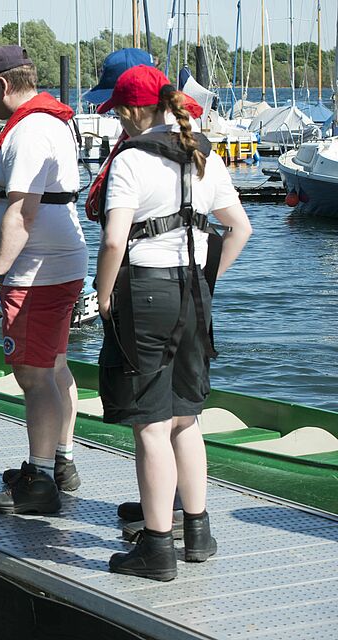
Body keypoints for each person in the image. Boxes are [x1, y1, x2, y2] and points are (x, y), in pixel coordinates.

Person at [91, 65, 251, 581]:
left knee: (151, 425)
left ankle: (157, 548)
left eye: (118, 110)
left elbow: (115, 241)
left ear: (137, 110)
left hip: (145, 288)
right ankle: (197, 533)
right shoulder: (204, 153)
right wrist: (206, 280)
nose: (117, 119)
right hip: (193, 291)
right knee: (187, 416)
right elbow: (239, 229)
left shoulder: (131, 160)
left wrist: (104, 293)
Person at [0, 45, 87, 513]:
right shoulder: (46, 122)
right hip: (58, 264)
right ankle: (58, 460)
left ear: (2, 84)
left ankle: (39, 482)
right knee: (55, 366)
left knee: (32, 376)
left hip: (35, 269)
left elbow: (22, 210)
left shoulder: (28, 131)